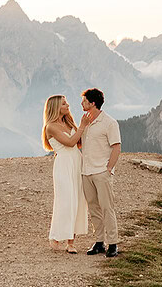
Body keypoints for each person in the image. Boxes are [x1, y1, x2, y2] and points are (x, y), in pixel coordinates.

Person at [42, 94, 93, 253]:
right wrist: (82, 126)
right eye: (64, 104)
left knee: (78, 199)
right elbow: (70, 142)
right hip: (64, 164)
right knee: (66, 200)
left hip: (76, 161)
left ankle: (71, 242)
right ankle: (56, 235)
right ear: (56, 107)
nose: (68, 105)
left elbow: (78, 142)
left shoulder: (67, 122)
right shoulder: (50, 127)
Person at [79, 88, 122, 257]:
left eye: (84, 101)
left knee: (107, 208)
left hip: (101, 172)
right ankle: (99, 242)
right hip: (86, 171)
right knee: (93, 208)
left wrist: (109, 169)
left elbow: (116, 147)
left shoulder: (109, 123)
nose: (81, 104)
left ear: (93, 103)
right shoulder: (85, 122)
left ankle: (113, 244)